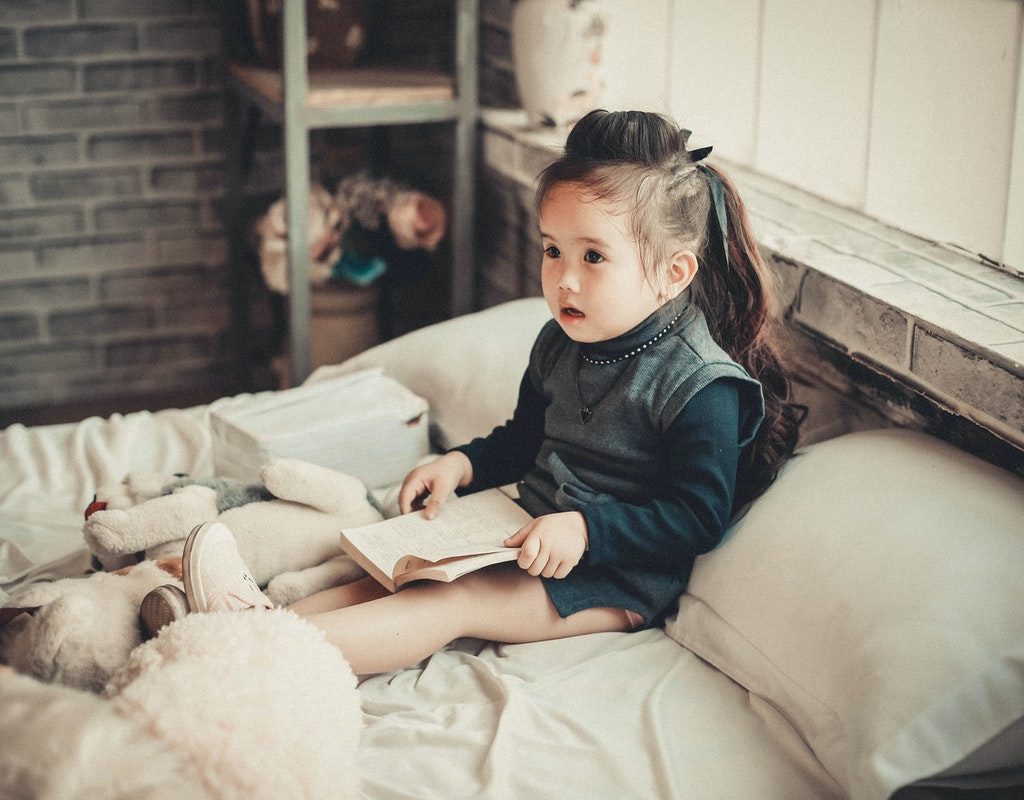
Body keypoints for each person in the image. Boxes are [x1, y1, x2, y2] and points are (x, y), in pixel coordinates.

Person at [145, 109, 803, 676]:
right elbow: (524, 440)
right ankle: (248, 622)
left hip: (617, 577)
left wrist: (587, 530)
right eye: (552, 250)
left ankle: (249, 656)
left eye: (593, 257)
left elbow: (696, 516)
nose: (564, 280)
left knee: (447, 602)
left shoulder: (701, 387)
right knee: (389, 573)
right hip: (523, 531)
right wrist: (461, 464)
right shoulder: (559, 343)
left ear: (673, 273)